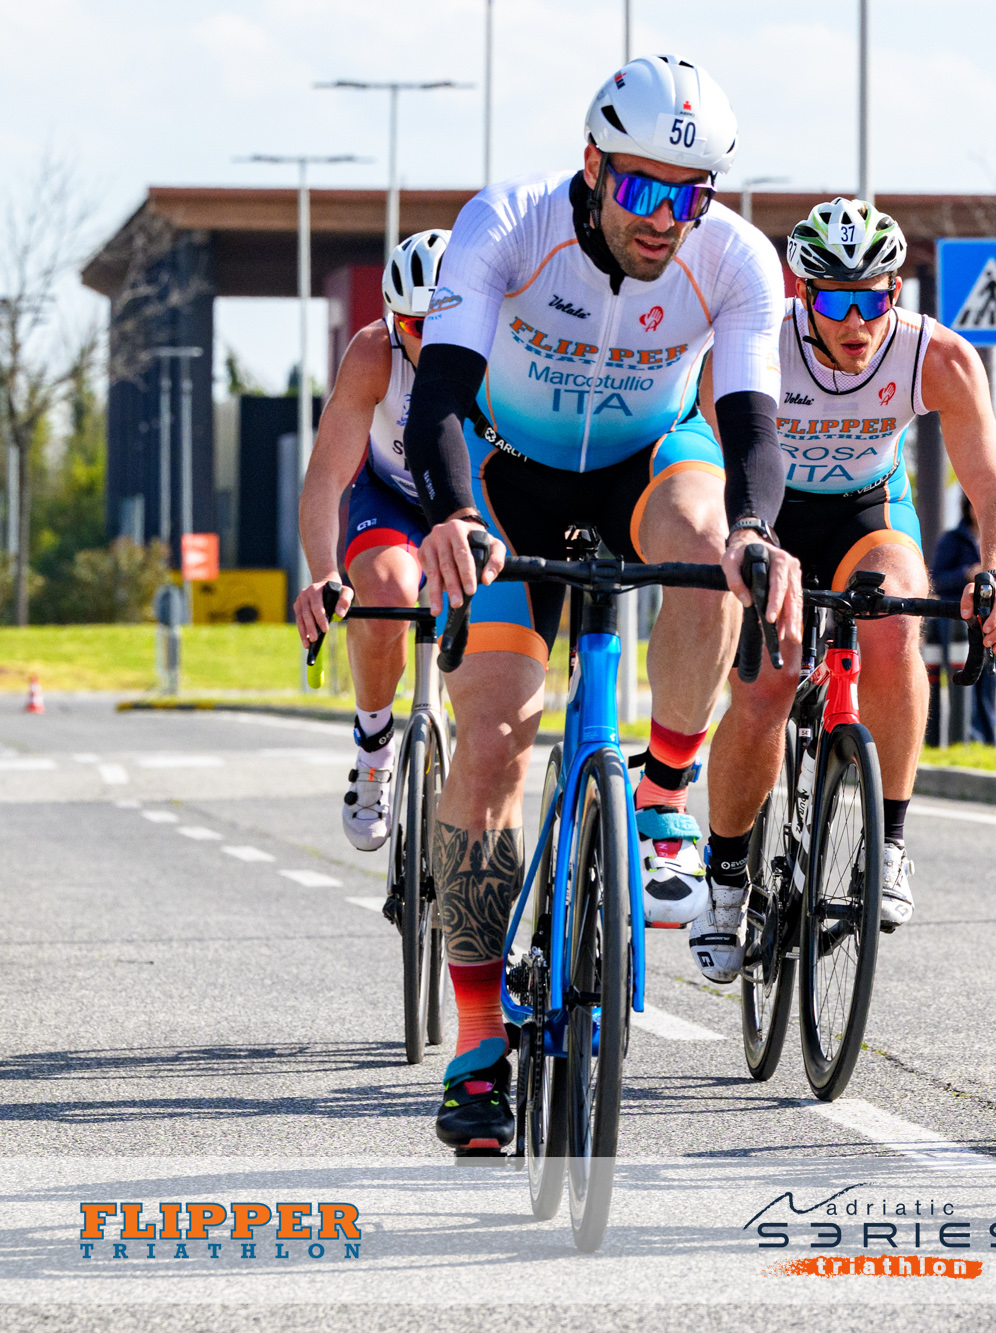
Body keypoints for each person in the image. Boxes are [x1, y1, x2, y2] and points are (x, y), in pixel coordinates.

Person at [401, 55, 805, 1152]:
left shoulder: (736, 259)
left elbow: (752, 422)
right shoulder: (507, 224)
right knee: (493, 737)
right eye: (641, 188)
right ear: (591, 165)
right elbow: (439, 396)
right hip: (508, 478)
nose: (665, 218)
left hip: (648, 464)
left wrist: (758, 533)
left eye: (690, 195)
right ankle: (477, 1040)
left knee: (717, 549)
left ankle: (665, 787)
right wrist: (449, 513)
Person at [702, 198, 996, 951]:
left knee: (897, 620)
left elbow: (993, 486)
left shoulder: (935, 356)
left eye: (872, 301)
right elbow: (710, 456)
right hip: (771, 513)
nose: (856, 322)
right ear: (803, 293)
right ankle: (725, 874)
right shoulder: (758, 343)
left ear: (895, 293)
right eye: (835, 302)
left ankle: (889, 843)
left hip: (866, 512)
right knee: (766, 686)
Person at [292, 229, 450, 857]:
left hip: (478, 505)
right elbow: (325, 476)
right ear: (393, 319)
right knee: (385, 591)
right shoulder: (373, 353)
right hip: (393, 498)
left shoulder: (505, 349)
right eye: (414, 325)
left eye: (443, 323)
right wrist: (323, 573)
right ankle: (374, 748)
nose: (430, 340)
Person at [930, 498, 996, 744]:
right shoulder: (952, 539)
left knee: (988, 681)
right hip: (957, 622)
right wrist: (966, 574)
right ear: (967, 508)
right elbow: (936, 580)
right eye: (975, 504)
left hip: (987, 618)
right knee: (963, 679)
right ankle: (965, 737)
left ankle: (988, 740)